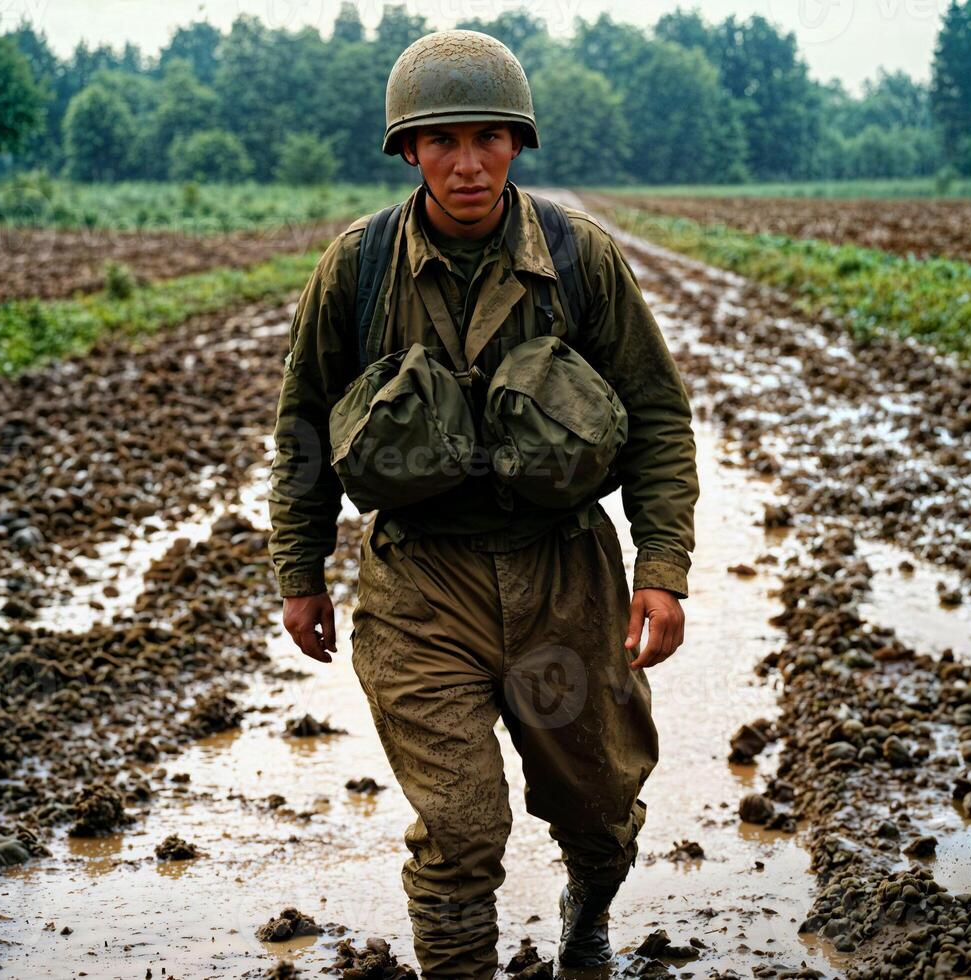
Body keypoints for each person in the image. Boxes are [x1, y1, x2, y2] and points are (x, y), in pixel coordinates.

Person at [267, 29, 698, 978]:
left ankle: (589, 912)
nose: (467, 163)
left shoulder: (582, 261)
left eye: (488, 138)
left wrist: (661, 572)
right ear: (409, 152)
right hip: (421, 588)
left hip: (564, 581)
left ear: (517, 142)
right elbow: (303, 427)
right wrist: (299, 574)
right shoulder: (358, 268)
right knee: (461, 829)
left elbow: (660, 420)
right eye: (442, 141)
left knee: (598, 803)